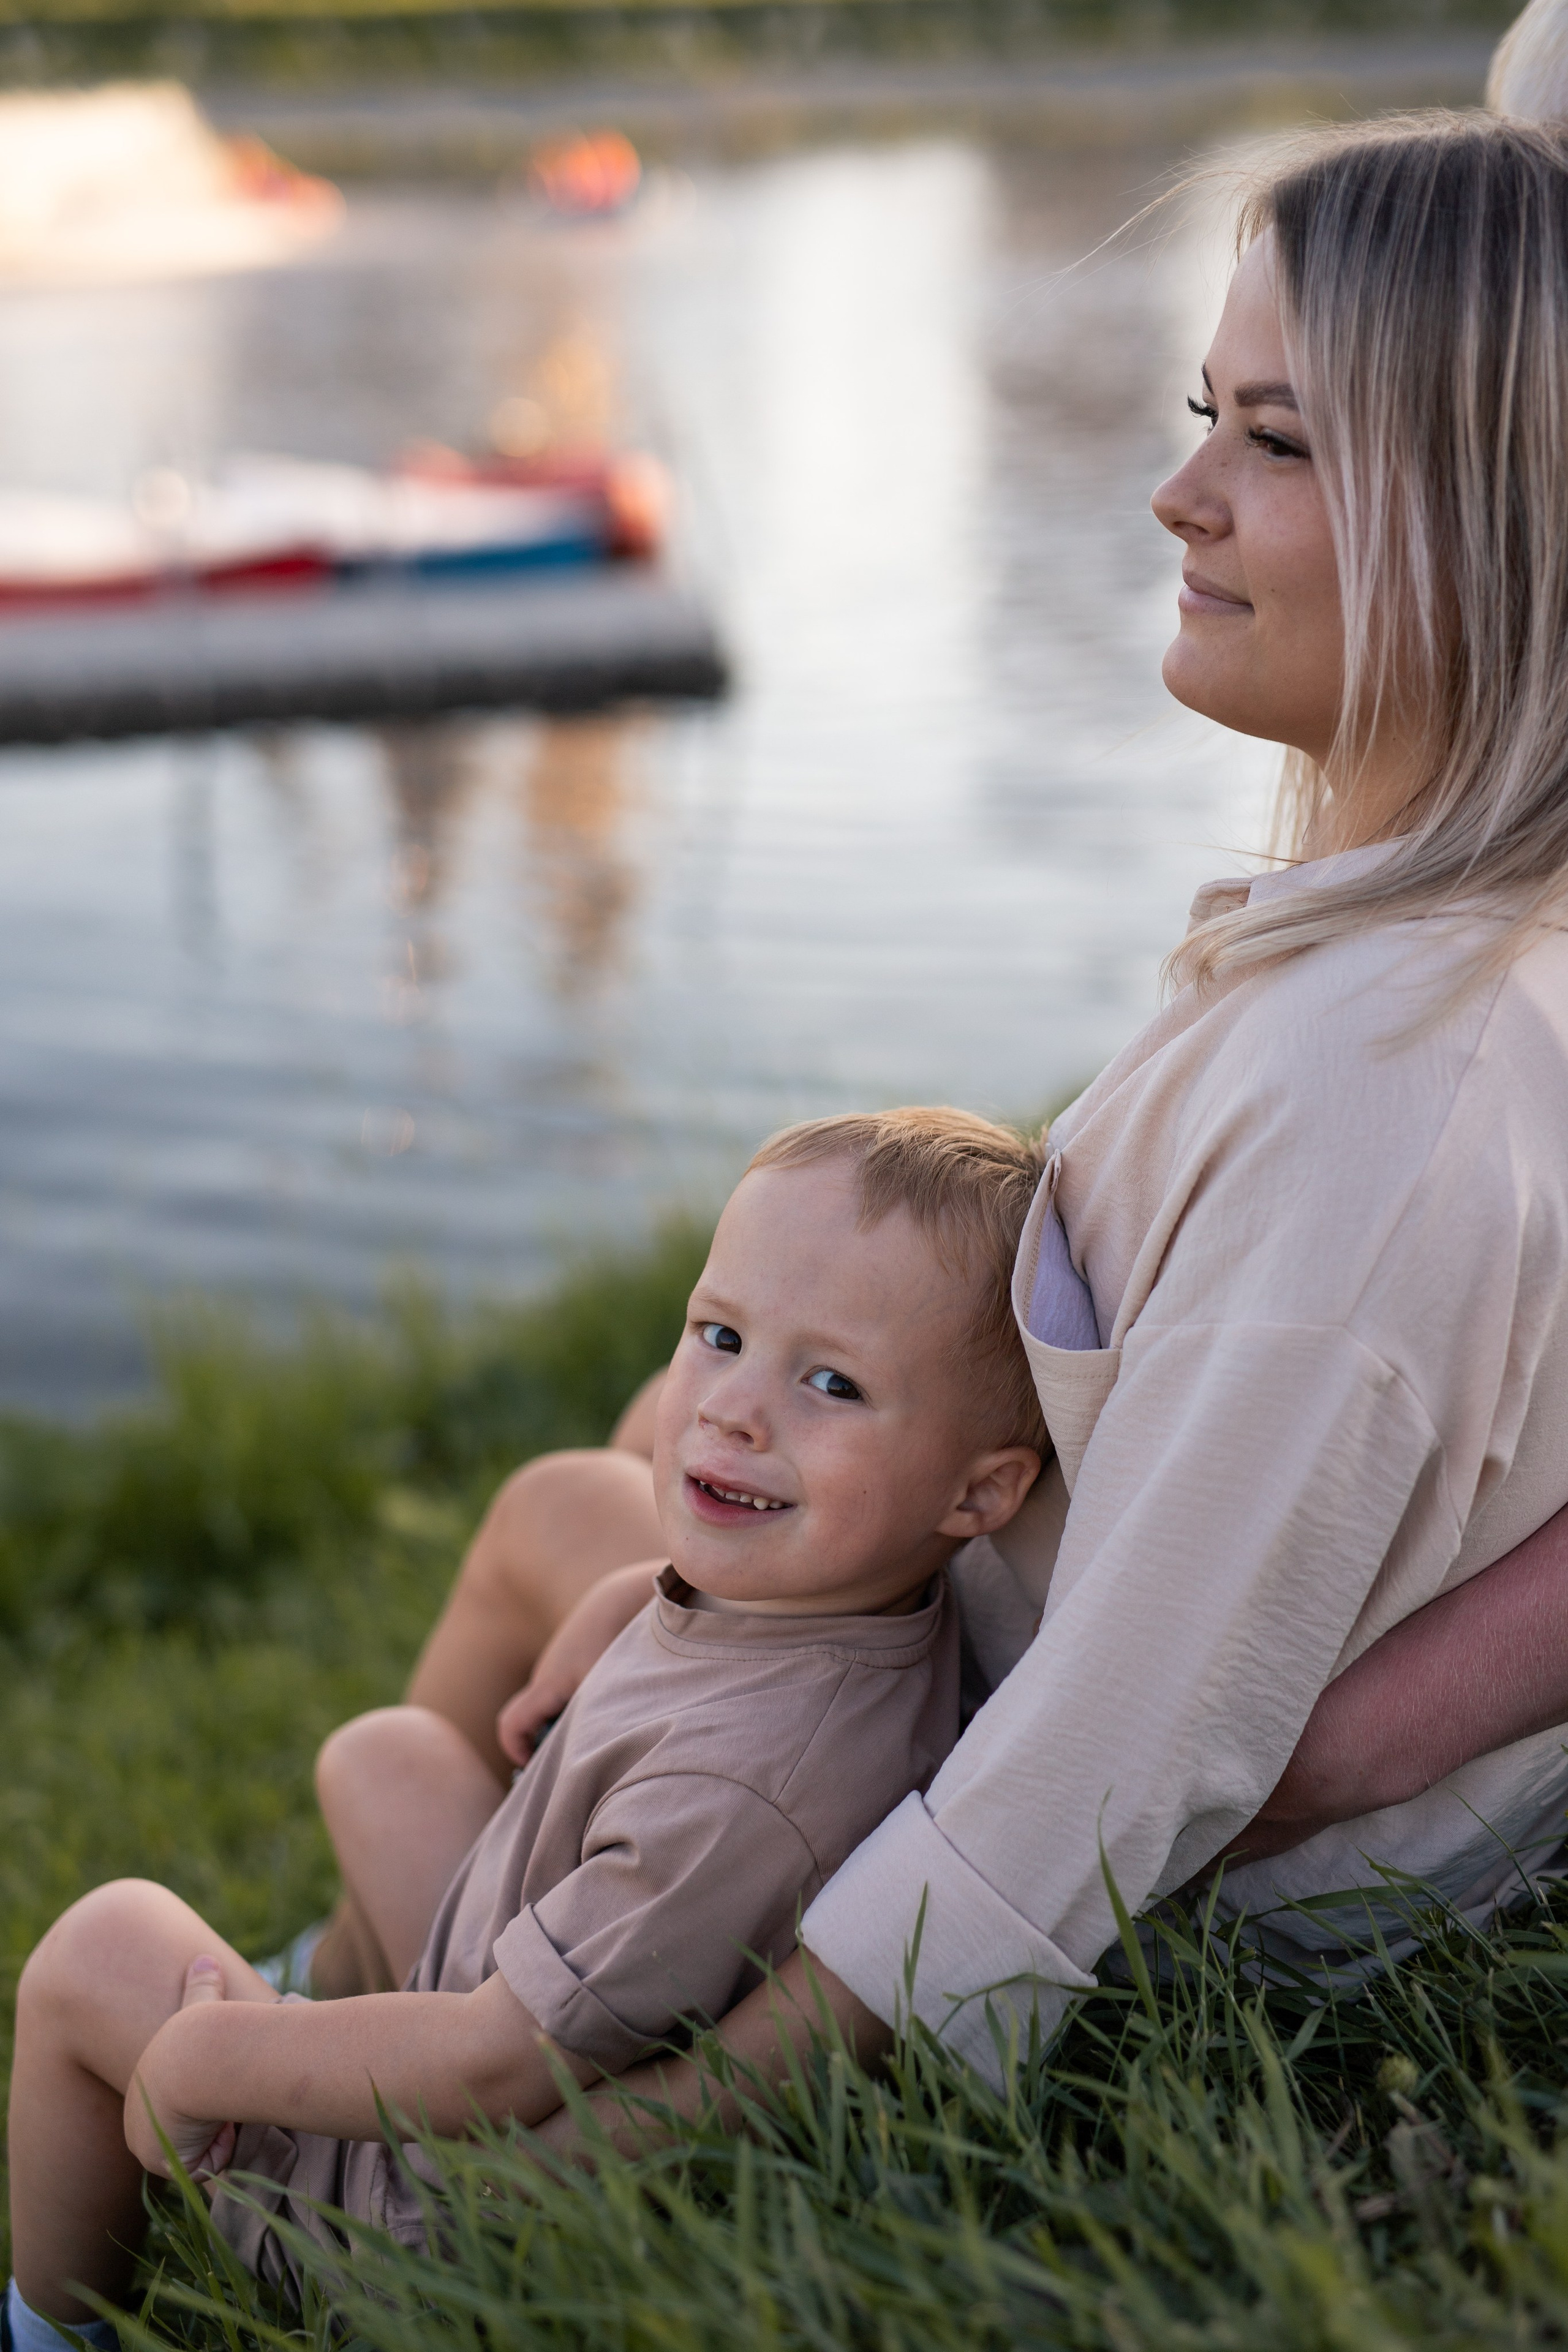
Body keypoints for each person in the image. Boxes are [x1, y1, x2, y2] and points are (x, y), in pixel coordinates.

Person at [323, 108, 1568, 2144]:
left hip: (1147, 1895)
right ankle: (424, 1949)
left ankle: (389, 2050)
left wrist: (664, 2133)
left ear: (1507, 521)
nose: (1177, 496)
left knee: (439, 1685)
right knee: (600, 1495)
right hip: (1041, 1680)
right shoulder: (1422, 961)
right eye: (1201, 415)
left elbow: (1108, 1756)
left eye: (1278, 442)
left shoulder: (1382, 1107)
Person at [7, 1107, 1050, 2332]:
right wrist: (628, 1593)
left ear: (981, 1490)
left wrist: (203, 2066)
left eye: (831, 1382)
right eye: (719, 1335)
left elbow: (492, 2064)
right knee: (386, 1757)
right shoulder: (849, 1601)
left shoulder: (741, 1790)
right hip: (519, 2010)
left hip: (409, 2209)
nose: (729, 1409)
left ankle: (54, 2319)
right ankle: (319, 2015)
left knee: (98, 1946)